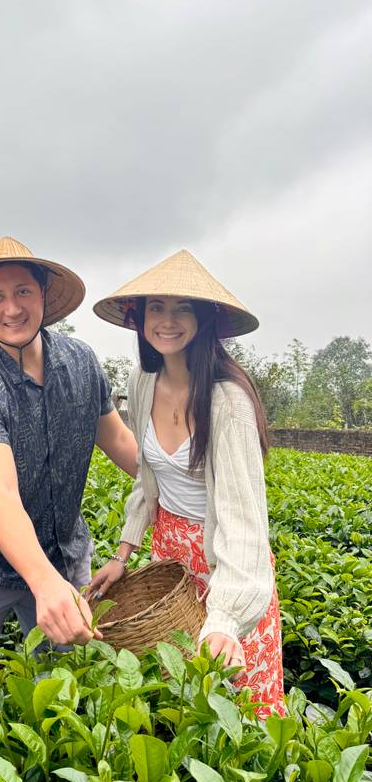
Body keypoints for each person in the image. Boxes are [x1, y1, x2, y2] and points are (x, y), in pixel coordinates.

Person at [0, 236, 138, 667]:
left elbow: (121, 443)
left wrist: (186, 492)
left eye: (22, 292)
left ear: (43, 296)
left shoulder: (81, 363)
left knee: (68, 695)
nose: (12, 309)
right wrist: (43, 583)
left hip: (64, 556)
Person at [89, 249, 284, 718]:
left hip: (227, 563)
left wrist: (225, 616)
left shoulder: (226, 402)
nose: (167, 321)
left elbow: (243, 521)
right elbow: (147, 478)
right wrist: (123, 553)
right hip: (169, 555)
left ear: (205, 319)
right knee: (177, 697)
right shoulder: (143, 381)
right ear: (139, 318)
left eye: (183, 308)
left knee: (236, 704)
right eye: (156, 307)